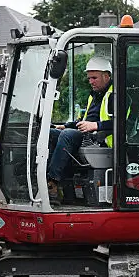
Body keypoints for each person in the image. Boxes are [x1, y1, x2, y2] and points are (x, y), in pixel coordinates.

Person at [46, 56, 116, 204]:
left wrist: (96, 125)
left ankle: (53, 182)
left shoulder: (115, 95)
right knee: (51, 134)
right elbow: (84, 120)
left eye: (94, 78)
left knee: (67, 135)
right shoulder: (95, 95)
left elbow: (123, 123)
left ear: (106, 76)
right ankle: (49, 179)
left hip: (102, 140)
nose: (91, 81)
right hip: (88, 136)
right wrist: (65, 125)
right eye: (89, 78)